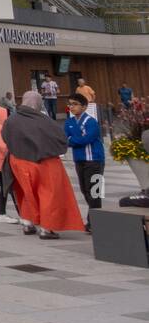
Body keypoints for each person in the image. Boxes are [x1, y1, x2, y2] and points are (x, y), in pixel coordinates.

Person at [2, 90, 85, 238]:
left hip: (18, 161)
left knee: (27, 192)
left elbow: (5, 137)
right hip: (43, 162)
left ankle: (27, 223)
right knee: (48, 193)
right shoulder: (43, 119)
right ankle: (47, 228)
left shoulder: (12, 119)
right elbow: (60, 138)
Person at [65, 92, 104, 233]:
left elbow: (86, 139)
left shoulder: (91, 121)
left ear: (84, 106)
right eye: (70, 104)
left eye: (75, 104)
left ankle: (94, 222)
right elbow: (64, 139)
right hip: (79, 160)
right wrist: (71, 141)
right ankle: (96, 217)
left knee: (95, 191)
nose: (71, 107)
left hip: (95, 160)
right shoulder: (69, 122)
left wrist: (71, 141)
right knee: (84, 190)